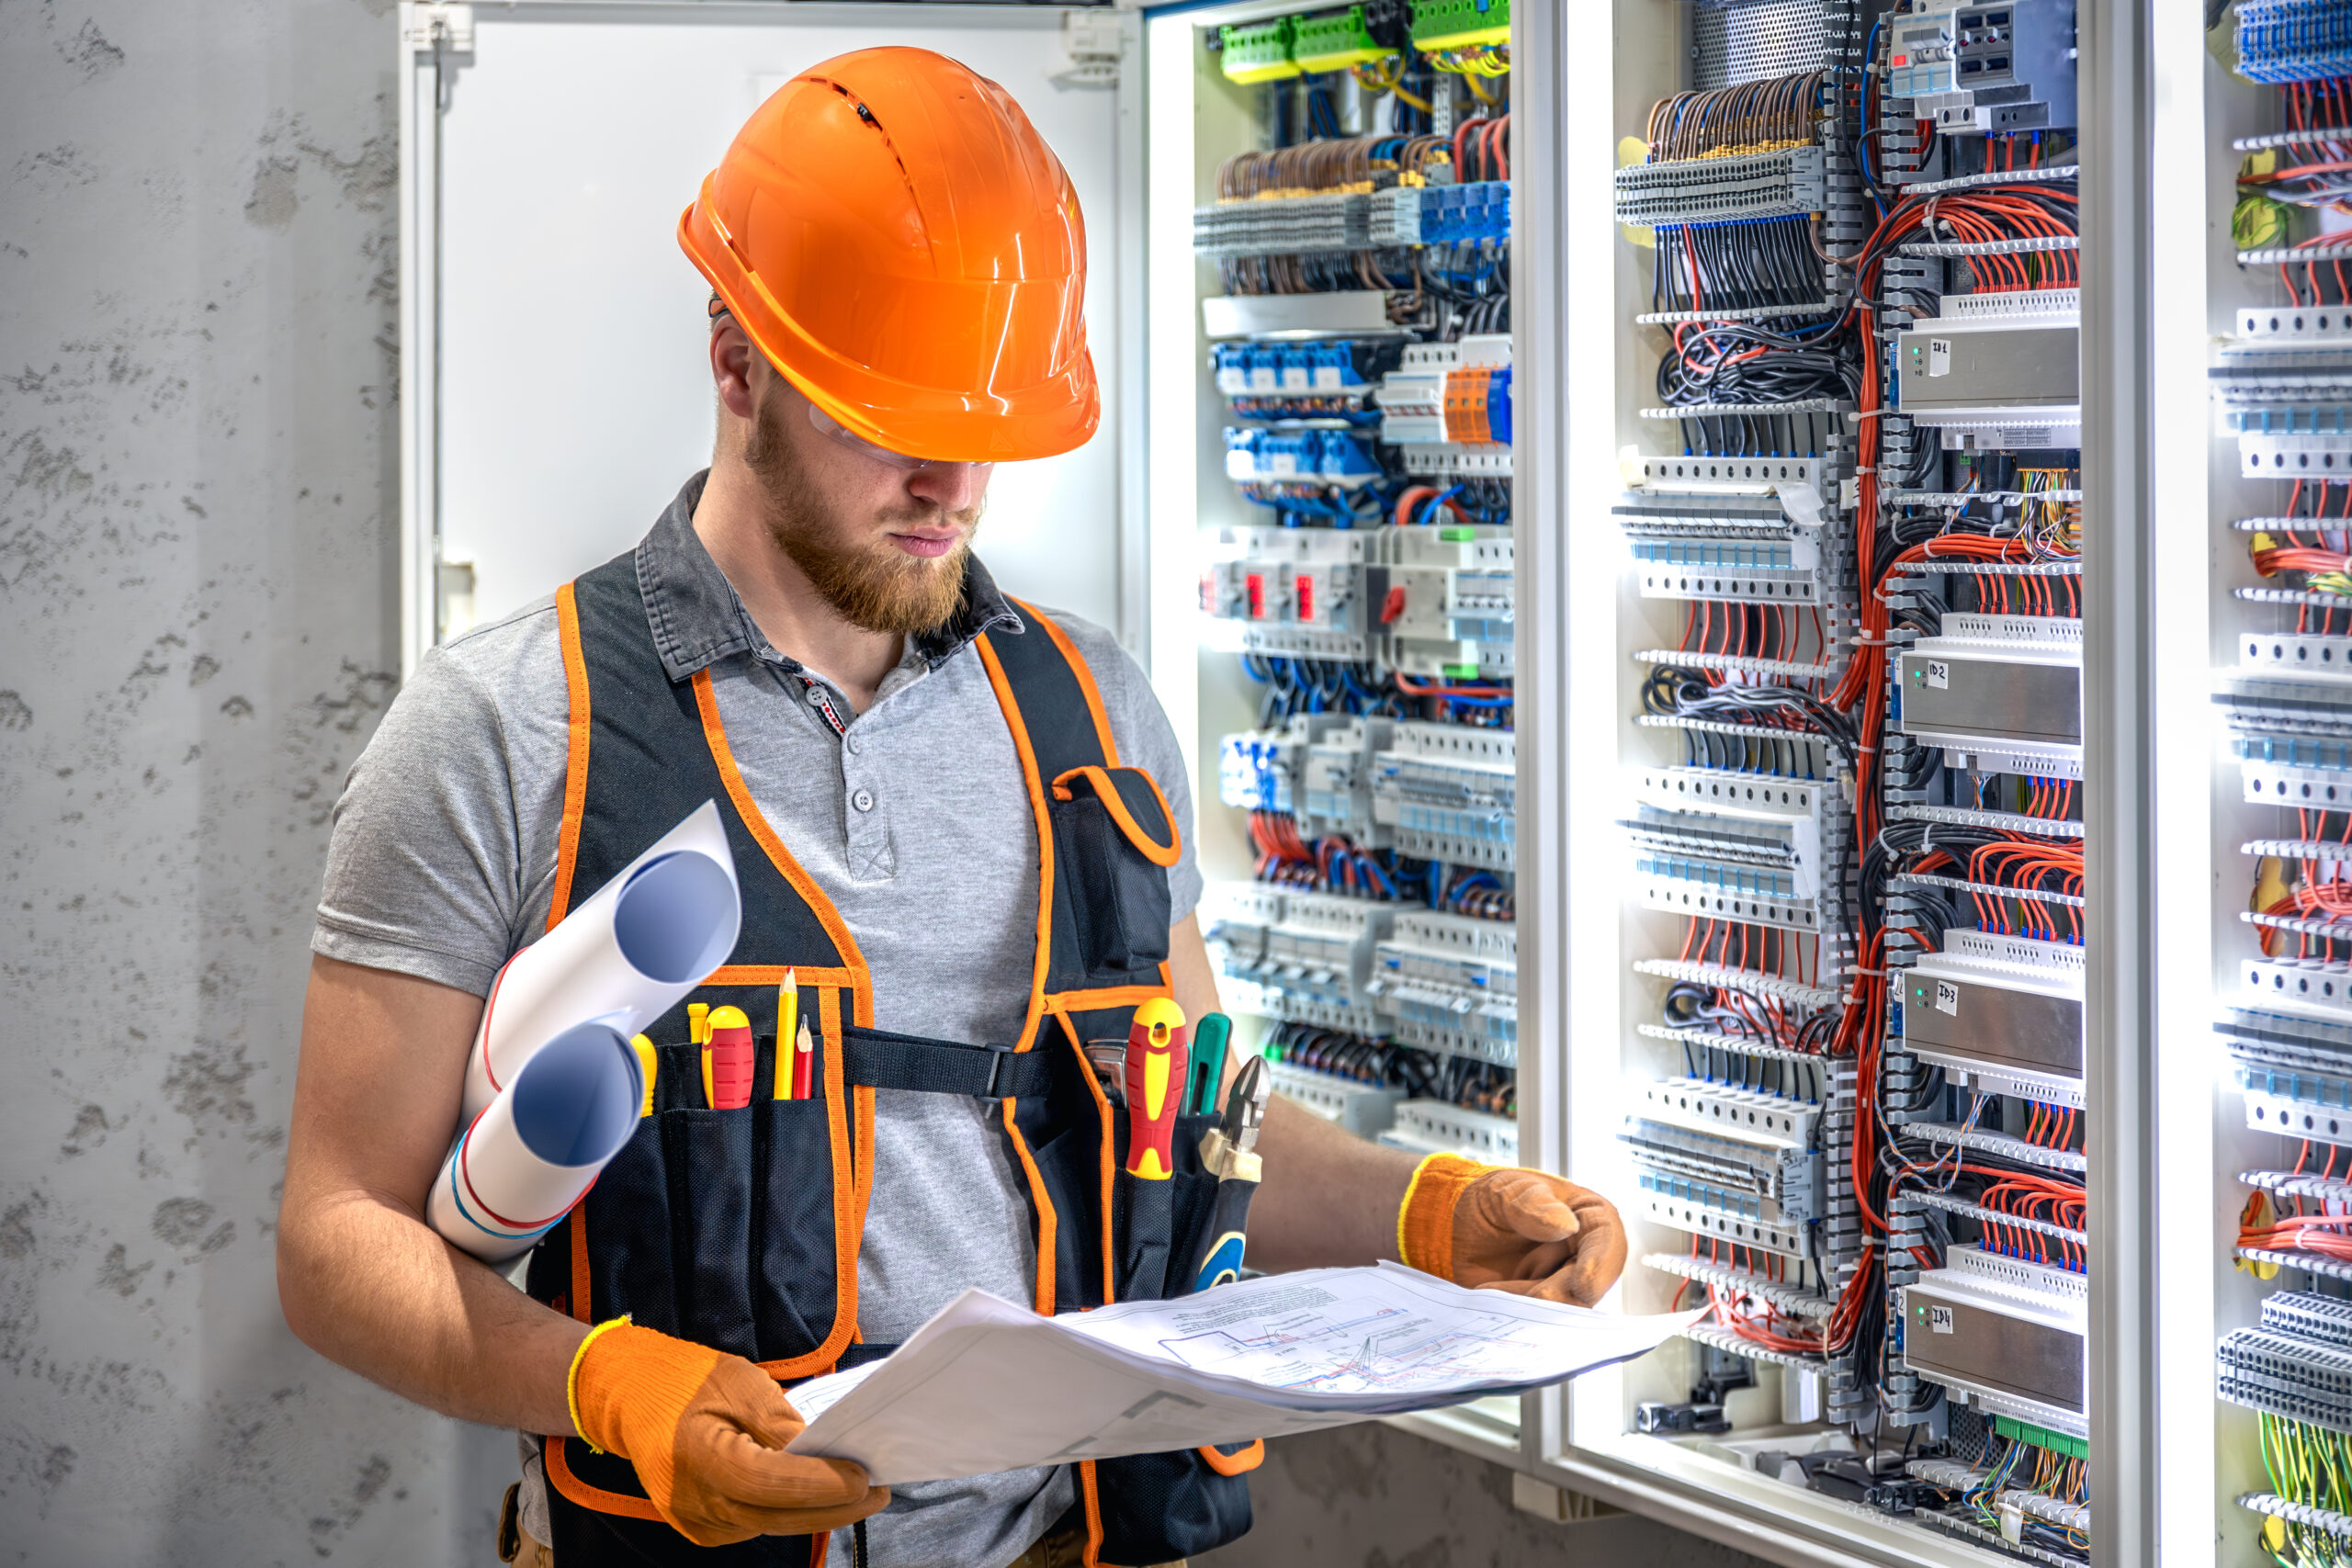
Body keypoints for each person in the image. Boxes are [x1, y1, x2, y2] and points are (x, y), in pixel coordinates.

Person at [276, 45, 1626, 1568]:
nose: (951, 486)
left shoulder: (1095, 714)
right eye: (887, 419)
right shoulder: (508, 731)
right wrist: (605, 1384)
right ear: (738, 368)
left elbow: (1201, 1128)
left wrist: (1430, 1212)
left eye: (990, 432)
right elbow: (336, 1242)